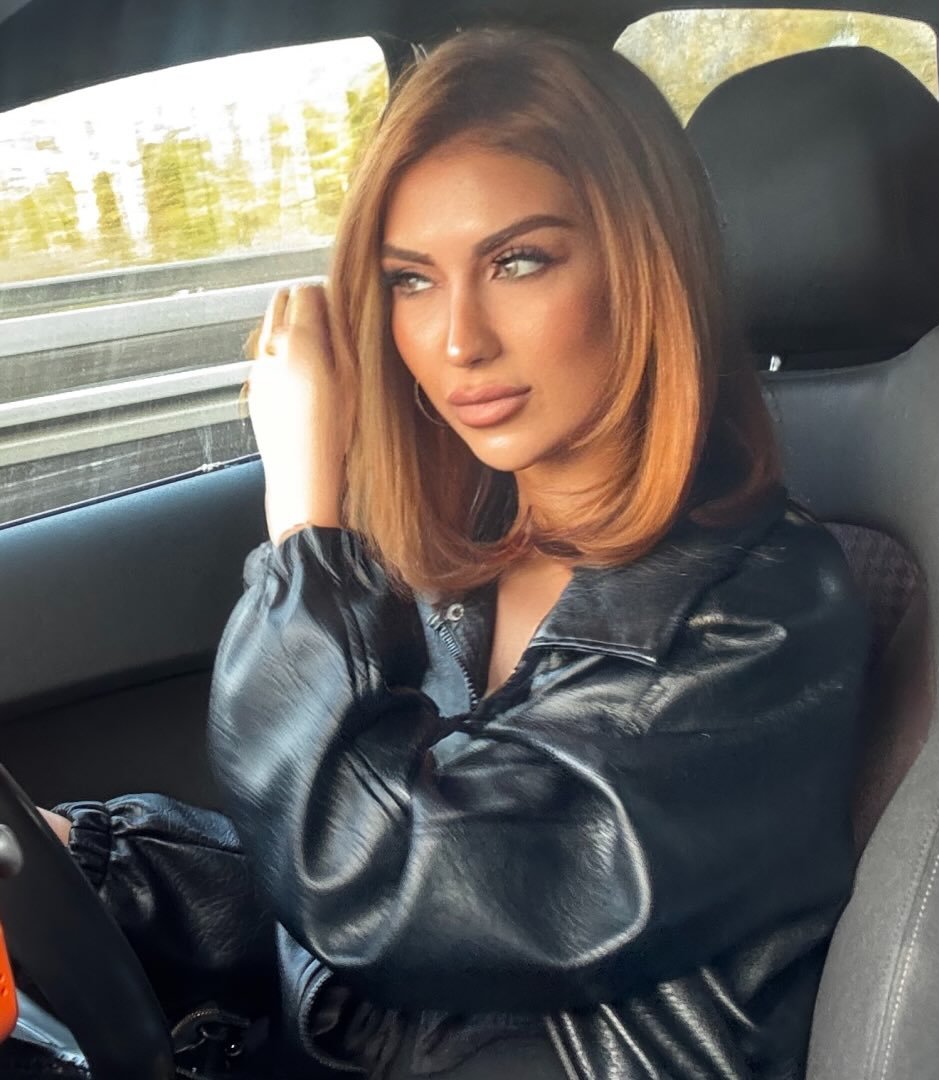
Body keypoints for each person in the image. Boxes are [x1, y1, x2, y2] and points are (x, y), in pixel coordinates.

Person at [31, 26, 868, 1080]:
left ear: (645, 268)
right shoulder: (468, 568)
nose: (460, 340)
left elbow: (392, 889)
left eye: (519, 262)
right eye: (411, 280)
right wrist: (98, 867)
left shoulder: (760, 620)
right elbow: (381, 874)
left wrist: (303, 522)